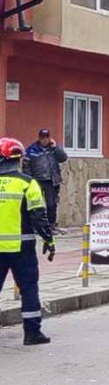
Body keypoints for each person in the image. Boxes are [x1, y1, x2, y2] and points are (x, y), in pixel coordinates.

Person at [0, 138, 55, 345]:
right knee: (29, 288)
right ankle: (32, 333)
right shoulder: (28, 183)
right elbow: (39, 216)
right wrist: (49, 240)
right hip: (23, 247)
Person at [23, 128, 68, 233]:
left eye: (47, 137)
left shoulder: (53, 149)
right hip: (36, 181)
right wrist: (29, 180)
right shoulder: (32, 149)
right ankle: (35, 226)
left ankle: (51, 226)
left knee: (51, 205)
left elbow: (63, 158)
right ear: (39, 138)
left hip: (51, 181)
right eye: (42, 137)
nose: (44, 140)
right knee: (35, 204)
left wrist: (55, 147)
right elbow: (26, 165)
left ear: (49, 138)